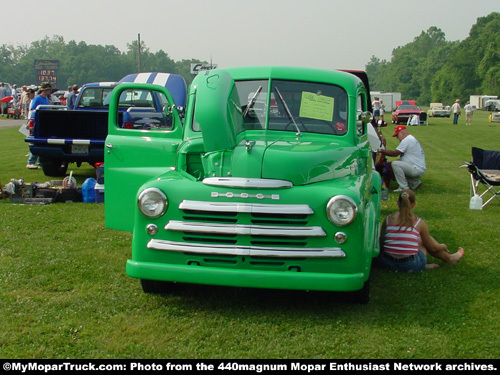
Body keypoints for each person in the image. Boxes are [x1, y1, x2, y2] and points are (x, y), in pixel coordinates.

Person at [377, 189, 465, 272]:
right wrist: (443, 246)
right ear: (414, 204)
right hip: (410, 265)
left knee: (412, 238)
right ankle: (449, 258)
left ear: (398, 203)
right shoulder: (418, 222)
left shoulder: (388, 219)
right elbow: (433, 248)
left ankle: (442, 260)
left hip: (387, 263)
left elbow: (382, 243)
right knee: (422, 239)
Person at [379, 125, 426, 192]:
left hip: (416, 168)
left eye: (397, 136)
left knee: (395, 164)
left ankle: (403, 187)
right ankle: (414, 183)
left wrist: (381, 150)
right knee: (398, 164)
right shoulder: (411, 139)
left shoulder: (407, 140)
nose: (397, 138)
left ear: (402, 133)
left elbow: (394, 153)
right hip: (419, 167)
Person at [26, 83, 52, 169]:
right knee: (36, 142)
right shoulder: (37, 98)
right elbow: (33, 110)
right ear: (45, 90)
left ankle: (40, 163)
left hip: (45, 123)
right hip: (38, 123)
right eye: (49, 90)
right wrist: (30, 122)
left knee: (42, 143)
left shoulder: (46, 99)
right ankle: (31, 162)